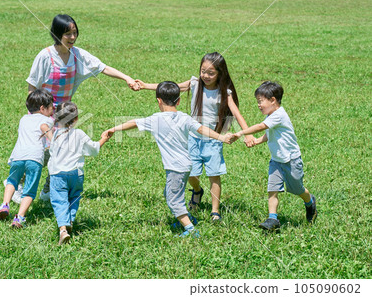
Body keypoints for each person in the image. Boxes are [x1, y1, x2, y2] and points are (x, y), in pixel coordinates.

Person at [24, 14, 138, 202]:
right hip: (41, 113)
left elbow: (102, 67)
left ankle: (47, 189)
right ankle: (19, 184)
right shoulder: (45, 56)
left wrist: (127, 78)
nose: (72, 37)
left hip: (62, 114)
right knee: (38, 155)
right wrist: (34, 116)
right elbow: (31, 87)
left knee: (62, 152)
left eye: (74, 33)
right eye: (67, 34)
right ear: (57, 34)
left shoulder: (77, 55)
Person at [103, 82, 233, 237]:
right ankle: (187, 217)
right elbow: (202, 129)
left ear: (158, 100)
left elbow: (134, 123)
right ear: (178, 101)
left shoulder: (155, 119)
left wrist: (114, 129)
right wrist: (222, 137)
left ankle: (191, 229)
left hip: (175, 168)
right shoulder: (185, 117)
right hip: (186, 165)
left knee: (173, 200)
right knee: (169, 193)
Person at [135, 52, 254, 222]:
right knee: (192, 175)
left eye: (211, 73)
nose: (205, 75)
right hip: (193, 138)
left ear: (220, 73)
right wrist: (145, 85)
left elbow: (237, 114)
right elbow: (173, 88)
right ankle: (197, 191)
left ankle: (215, 211)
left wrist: (247, 135)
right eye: (203, 71)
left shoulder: (223, 93)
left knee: (214, 175)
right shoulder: (195, 84)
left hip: (213, 140)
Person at [232, 81, 317, 230]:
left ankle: (310, 202)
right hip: (276, 161)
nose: (258, 105)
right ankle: (272, 219)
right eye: (257, 101)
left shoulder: (279, 115)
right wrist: (257, 141)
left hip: (291, 160)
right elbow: (268, 133)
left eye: (260, 101)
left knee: (297, 189)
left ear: (272, 100)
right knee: (272, 190)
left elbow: (261, 127)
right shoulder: (271, 115)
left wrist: (241, 132)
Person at [48, 102, 112, 245]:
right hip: (76, 174)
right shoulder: (80, 134)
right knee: (74, 198)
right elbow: (94, 149)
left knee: (60, 201)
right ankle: (70, 219)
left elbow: (52, 153)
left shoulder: (56, 134)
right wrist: (104, 139)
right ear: (76, 119)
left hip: (57, 173)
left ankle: (63, 229)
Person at [0, 89, 54, 228]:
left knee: (12, 180)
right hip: (35, 158)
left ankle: (5, 205)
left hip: (18, 156)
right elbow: (44, 127)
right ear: (42, 108)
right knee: (30, 190)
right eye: (51, 106)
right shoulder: (47, 120)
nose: (53, 109)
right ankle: (19, 218)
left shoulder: (23, 119)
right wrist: (53, 140)